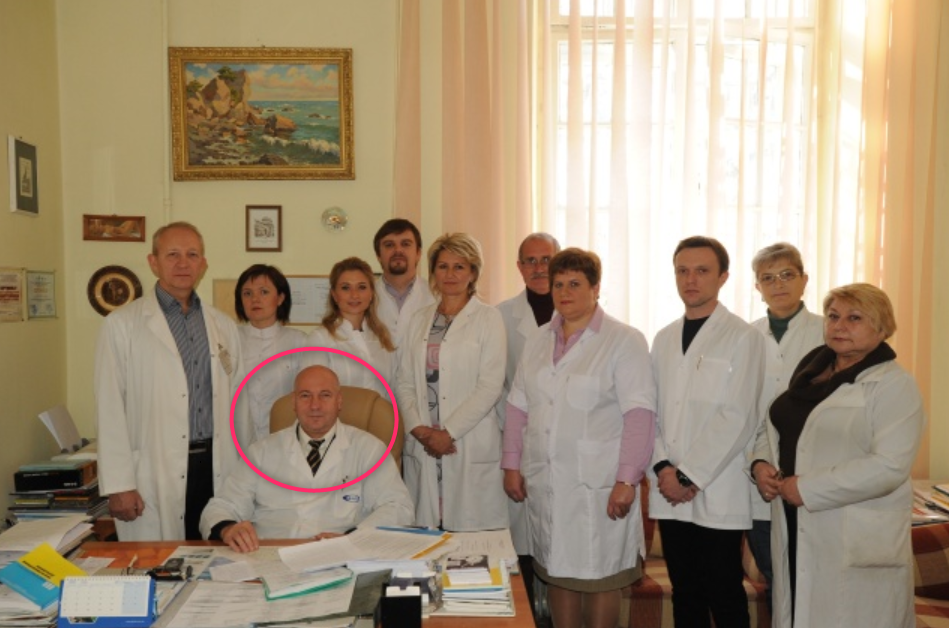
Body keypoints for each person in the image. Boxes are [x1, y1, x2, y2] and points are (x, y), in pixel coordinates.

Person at [751, 283, 924, 628]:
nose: (839, 325)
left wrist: (807, 488)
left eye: (854, 318)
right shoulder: (809, 373)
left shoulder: (894, 385)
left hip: (850, 528)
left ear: (881, 327)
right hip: (794, 521)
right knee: (797, 609)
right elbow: (779, 428)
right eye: (833, 316)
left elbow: (890, 466)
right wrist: (759, 463)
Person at [502, 248, 656, 628]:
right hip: (546, 482)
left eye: (575, 283)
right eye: (558, 284)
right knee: (557, 570)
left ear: (596, 288)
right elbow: (518, 407)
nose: (564, 292)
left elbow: (639, 415)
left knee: (599, 577)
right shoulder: (538, 340)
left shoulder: (623, 340)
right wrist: (511, 465)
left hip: (600, 484)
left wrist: (627, 480)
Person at [95, 221, 242, 541]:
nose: (183, 263)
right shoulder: (122, 325)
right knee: (159, 561)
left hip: (215, 463)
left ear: (203, 264)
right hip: (153, 468)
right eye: (172, 254)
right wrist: (119, 484)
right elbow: (109, 407)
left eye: (192, 255)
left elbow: (236, 404)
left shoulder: (223, 325)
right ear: (153, 262)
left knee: (218, 555)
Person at [649, 236, 764, 628]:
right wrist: (663, 468)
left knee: (724, 594)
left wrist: (687, 476)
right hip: (670, 487)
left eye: (702, 270)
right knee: (685, 594)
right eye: (682, 271)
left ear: (723, 277)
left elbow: (739, 416)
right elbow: (653, 411)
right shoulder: (663, 338)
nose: (690, 279)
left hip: (717, 486)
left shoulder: (744, 337)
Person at [200, 365, 414, 553]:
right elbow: (222, 505)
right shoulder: (261, 452)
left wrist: (353, 538)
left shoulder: (369, 450)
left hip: (340, 556)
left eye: (325, 395)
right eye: (305, 396)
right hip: (271, 556)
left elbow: (398, 507)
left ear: (339, 401)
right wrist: (227, 528)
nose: (315, 405)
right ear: (294, 402)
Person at [395, 232, 508, 531]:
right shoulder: (419, 319)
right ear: (433, 271)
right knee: (426, 534)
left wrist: (449, 433)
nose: (450, 274)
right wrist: (418, 428)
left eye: (460, 267)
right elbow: (404, 380)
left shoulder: (489, 319)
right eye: (443, 266)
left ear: (473, 272)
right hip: (424, 442)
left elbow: (490, 386)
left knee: (472, 541)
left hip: (466, 440)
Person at [746, 243, 824, 612]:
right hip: (760, 477)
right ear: (757, 287)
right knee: (776, 581)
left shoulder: (829, 332)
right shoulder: (745, 337)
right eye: (768, 278)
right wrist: (756, 464)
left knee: (814, 584)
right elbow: (740, 411)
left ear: (804, 280)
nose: (778, 284)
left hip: (813, 475)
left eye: (787, 275)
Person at [495, 231, 560, 615]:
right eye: (530, 261)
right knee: (521, 537)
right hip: (517, 437)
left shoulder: (578, 311)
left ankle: (554, 612)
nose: (538, 268)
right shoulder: (500, 316)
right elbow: (498, 384)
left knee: (559, 539)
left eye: (546, 259)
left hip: (563, 442)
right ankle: (530, 614)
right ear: (519, 267)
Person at [233, 264, 306, 450]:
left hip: (286, 441)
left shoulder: (299, 342)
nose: (255, 299)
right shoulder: (229, 339)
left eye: (264, 292)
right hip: (238, 440)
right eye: (247, 293)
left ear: (280, 298)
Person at [304, 258, 396, 399]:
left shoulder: (383, 337)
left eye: (362, 287)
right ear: (334, 295)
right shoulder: (319, 339)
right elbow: (313, 395)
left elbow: (393, 389)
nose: (354, 295)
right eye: (345, 288)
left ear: (371, 293)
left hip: (382, 413)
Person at [373, 218, 435, 345]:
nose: (398, 250)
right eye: (389, 245)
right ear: (378, 255)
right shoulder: (363, 298)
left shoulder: (436, 296)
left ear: (418, 253)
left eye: (406, 244)